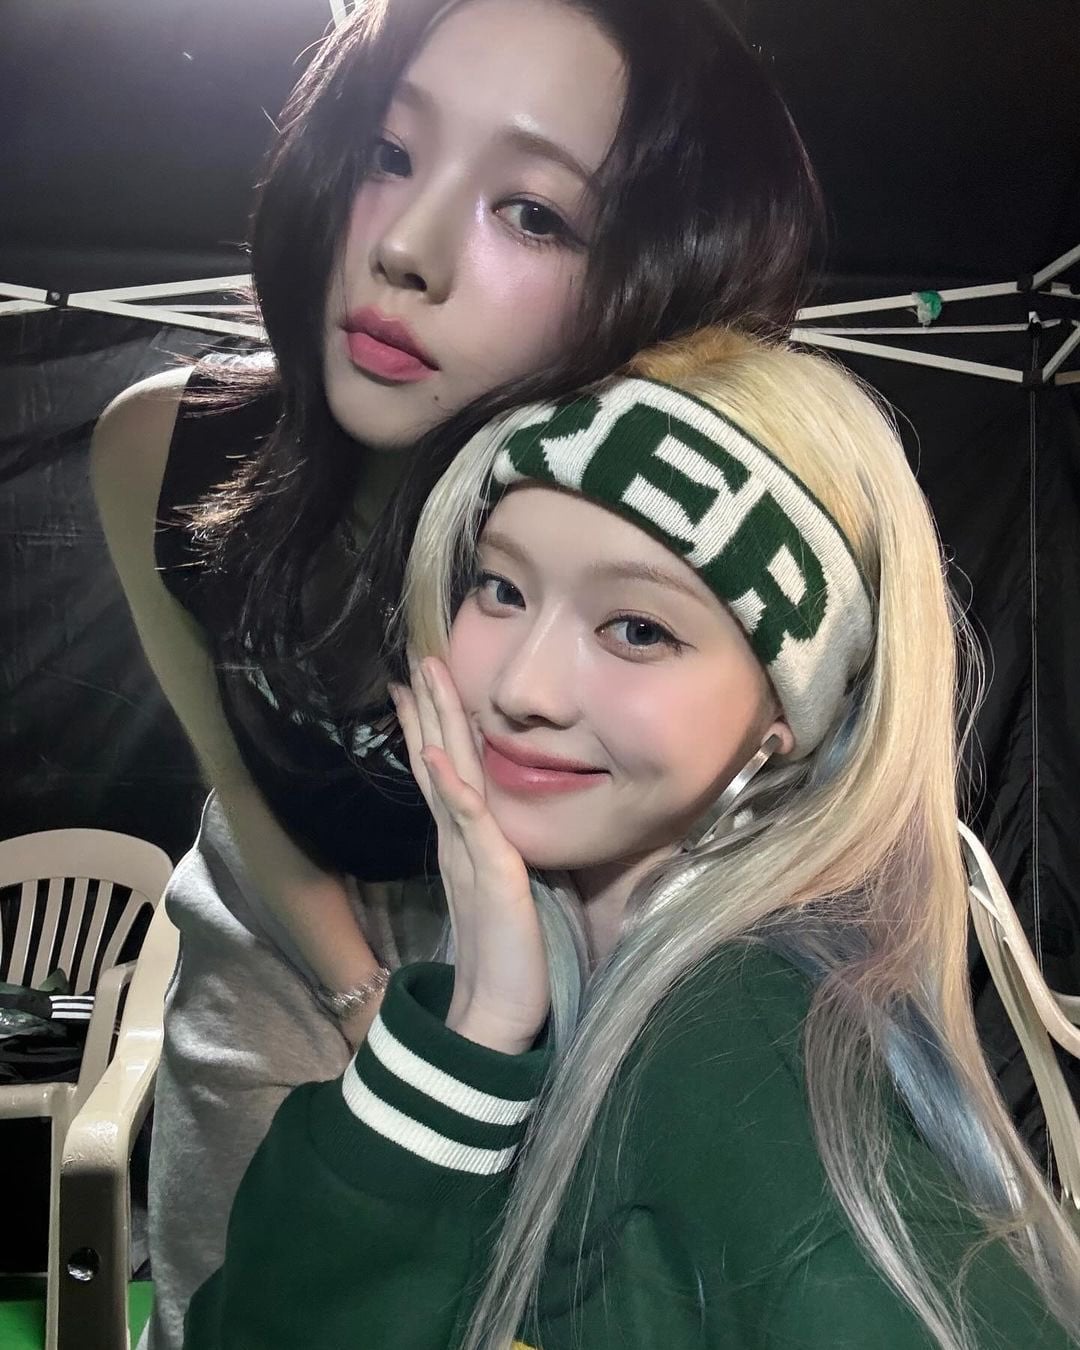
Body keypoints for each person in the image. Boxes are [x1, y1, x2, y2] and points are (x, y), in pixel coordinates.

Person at [90, 1, 821, 1345]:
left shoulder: (646, 540)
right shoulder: (160, 451)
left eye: (534, 213)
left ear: (665, 281)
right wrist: (360, 994)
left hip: (555, 926)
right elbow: (234, 778)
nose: (406, 249)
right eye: (388, 152)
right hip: (277, 916)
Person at [184, 328, 1080, 1350]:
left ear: (787, 714)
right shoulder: (562, 977)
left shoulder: (748, 1070)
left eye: (639, 630)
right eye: (501, 588)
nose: (520, 688)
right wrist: (478, 1024)